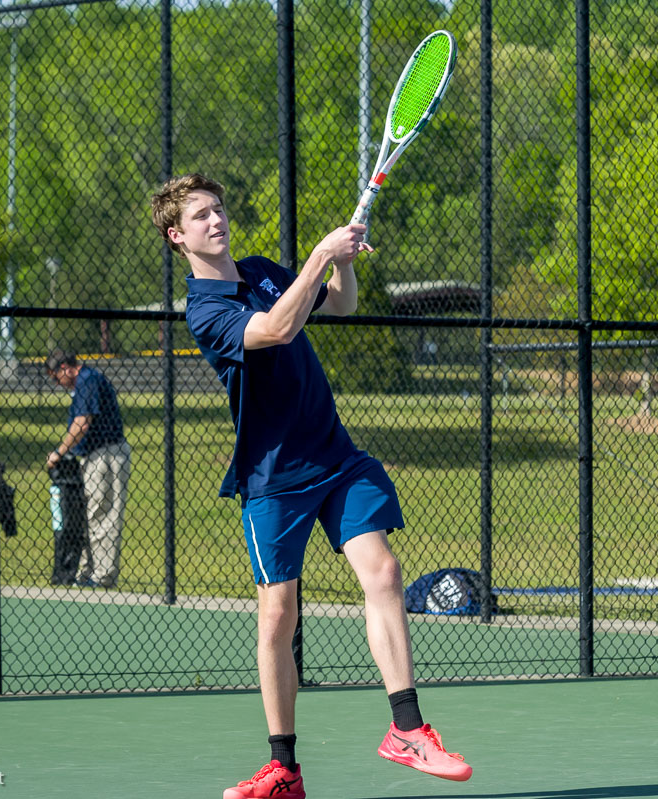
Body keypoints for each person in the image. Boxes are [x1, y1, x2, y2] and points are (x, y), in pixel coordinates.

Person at [151, 173, 472, 798]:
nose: (216, 220)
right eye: (200, 216)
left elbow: (339, 304)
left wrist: (343, 263)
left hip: (335, 457)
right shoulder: (205, 309)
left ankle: (406, 729)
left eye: (219, 208)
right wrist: (321, 254)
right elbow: (274, 330)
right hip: (273, 480)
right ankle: (283, 771)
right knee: (277, 616)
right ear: (177, 235)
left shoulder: (265, 270)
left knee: (382, 571)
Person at [44, 350, 130, 588]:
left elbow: (81, 424)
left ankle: (102, 576)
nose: (56, 383)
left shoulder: (87, 380)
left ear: (66, 368)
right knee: (89, 515)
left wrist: (59, 453)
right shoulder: (83, 384)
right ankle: (87, 572)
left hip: (106, 455)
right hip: (94, 455)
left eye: (55, 377)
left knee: (102, 515)